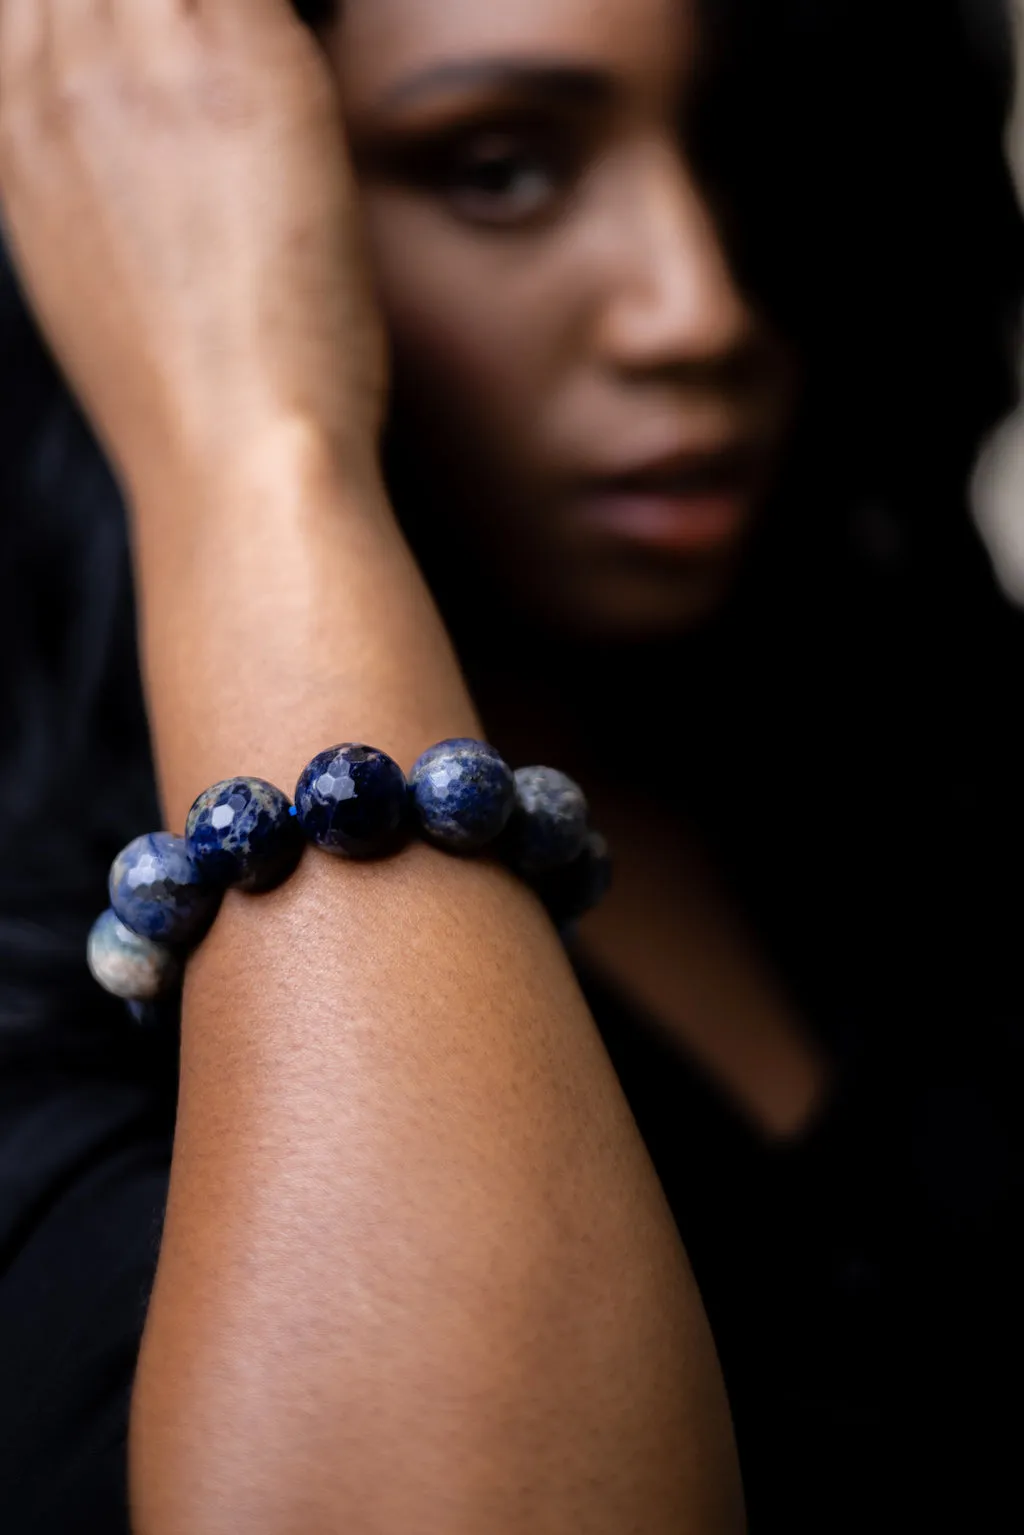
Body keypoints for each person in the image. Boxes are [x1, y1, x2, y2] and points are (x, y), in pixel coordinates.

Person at [0, 0, 1021, 1529]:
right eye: (496, 170)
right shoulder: (39, 980)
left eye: (745, 153)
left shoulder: (941, 745)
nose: (695, 308)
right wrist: (255, 448)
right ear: (159, 222)